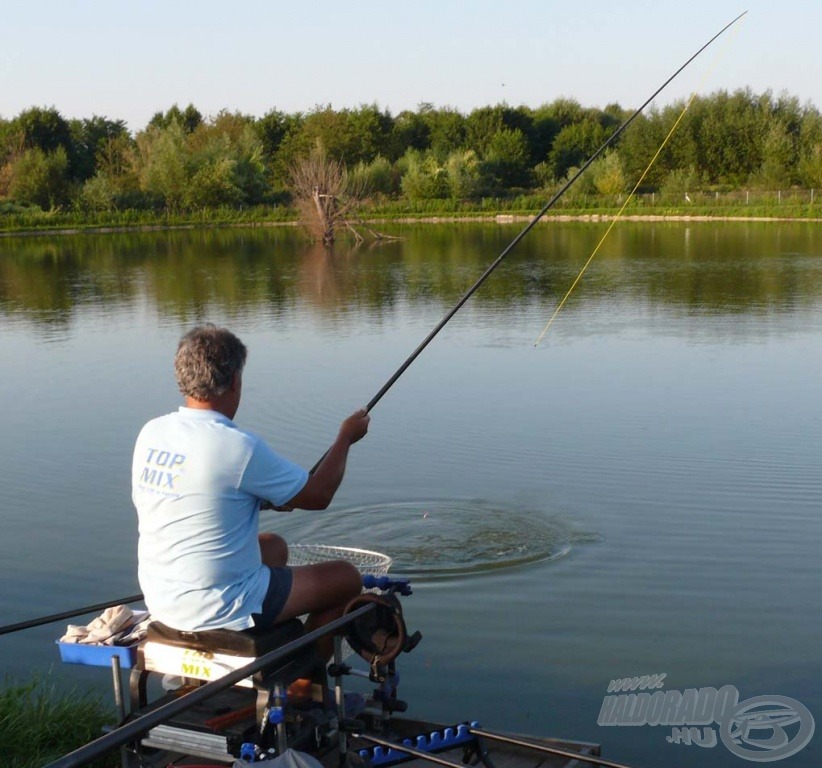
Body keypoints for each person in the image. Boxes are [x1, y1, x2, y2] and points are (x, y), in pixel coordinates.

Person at [131, 324, 369, 656]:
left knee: (274, 547)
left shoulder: (152, 433)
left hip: (161, 597)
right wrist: (345, 437)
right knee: (346, 578)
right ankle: (305, 681)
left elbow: (200, 496)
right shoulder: (237, 446)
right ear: (234, 382)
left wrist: (266, 501)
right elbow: (319, 495)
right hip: (219, 605)